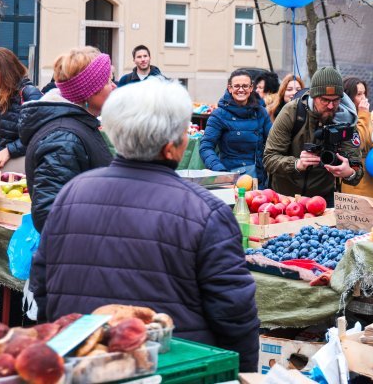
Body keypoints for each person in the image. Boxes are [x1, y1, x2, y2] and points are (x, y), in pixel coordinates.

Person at [29, 78, 260, 371]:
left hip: (83, 365)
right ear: (170, 146)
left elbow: (42, 285)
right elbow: (235, 315)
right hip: (172, 369)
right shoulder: (206, 211)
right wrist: (244, 373)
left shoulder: (71, 194)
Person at [19, 47, 115, 232]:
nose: (113, 86)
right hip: (81, 253)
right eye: (108, 81)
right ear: (90, 92)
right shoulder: (64, 138)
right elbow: (50, 215)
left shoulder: (76, 126)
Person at [263, 67, 363, 205]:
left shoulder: (347, 120)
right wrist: (297, 164)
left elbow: (356, 168)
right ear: (313, 96)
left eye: (335, 100)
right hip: (285, 199)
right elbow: (269, 159)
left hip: (322, 200)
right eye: (325, 100)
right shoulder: (292, 112)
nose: (330, 106)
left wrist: (349, 172)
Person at [200, 69, 272, 183]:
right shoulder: (219, 115)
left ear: (251, 88)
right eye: (237, 86)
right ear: (230, 88)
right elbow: (206, 146)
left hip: (258, 178)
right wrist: (220, 171)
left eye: (245, 86)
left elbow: (273, 141)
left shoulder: (260, 112)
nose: (241, 90)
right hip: (230, 178)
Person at [0, 47, 42, 169]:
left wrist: (9, 151)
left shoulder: (29, 94)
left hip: (21, 171)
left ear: (5, 71)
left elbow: (40, 135)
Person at [342, 77, 373, 198]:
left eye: (364, 93)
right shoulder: (345, 118)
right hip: (357, 181)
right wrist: (363, 113)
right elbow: (358, 142)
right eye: (359, 94)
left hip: (372, 176)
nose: (364, 98)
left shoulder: (366, 116)